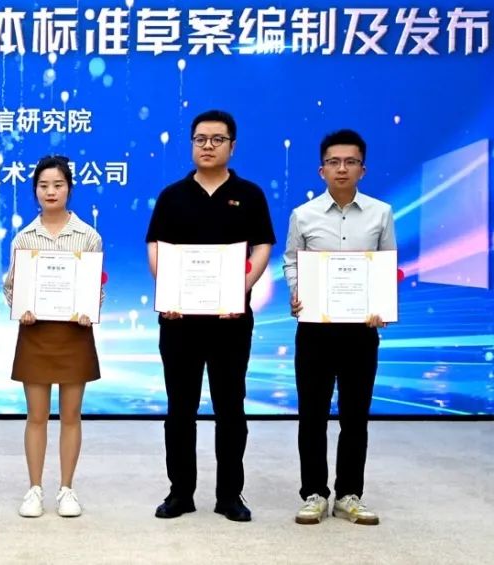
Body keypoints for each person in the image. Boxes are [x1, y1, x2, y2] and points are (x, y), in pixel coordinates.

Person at [145, 109, 275, 522]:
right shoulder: (172, 195)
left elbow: (262, 246)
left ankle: (229, 495)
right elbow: (156, 246)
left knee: (230, 409)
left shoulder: (249, 194)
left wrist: (242, 286)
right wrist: (169, 290)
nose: (208, 146)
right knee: (179, 411)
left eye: (217, 139)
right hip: (179, 322)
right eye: (200, 139)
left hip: (230, 322)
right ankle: (180, 493)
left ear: (232, 146)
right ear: (192, 144)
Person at [284, 129, 395, 526]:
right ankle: (314, 493)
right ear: (322, 170)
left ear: (363, 169)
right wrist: (297, 293)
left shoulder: (381, 213)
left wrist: (382, 305)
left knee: (355, 416)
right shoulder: (304, 215)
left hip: (361, 332)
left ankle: (349, 494)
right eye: (334, 162)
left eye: (350, 162)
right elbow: (292, 260)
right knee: (311, 416)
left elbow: (387, 263)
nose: (342, 169)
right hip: (315, 330)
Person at [2, 155, 103, 518]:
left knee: (71, 416)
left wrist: (89, 308)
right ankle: (34, 490)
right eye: (43, 185)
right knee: (37, 416)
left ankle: (66, 489)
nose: (51, 191)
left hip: (75, 333)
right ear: (35, 190)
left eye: (58, 185)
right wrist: (21, 307)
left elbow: (96, 288)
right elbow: (11, 286)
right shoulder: (25, 237)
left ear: (69, 189)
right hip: (36, 333)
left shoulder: (88, 236)